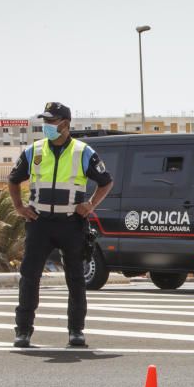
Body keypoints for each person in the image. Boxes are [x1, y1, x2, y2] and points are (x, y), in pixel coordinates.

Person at [8, 102, 114, 348]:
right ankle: (22, 332)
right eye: (44, 121)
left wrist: (90, 205)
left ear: (65, 124)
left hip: (71, 223)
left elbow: (106, 182)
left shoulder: (83, 152)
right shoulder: (33, 151)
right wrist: (19, 208)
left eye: (51, 121)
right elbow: (13, 180)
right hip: (40, 223)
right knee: (29, 277)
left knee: (76, 279)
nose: (46, 126)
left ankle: (76, 331)